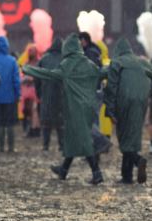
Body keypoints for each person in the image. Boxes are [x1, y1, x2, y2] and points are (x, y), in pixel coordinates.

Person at [23, 35, 105, 185]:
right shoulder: (89, 63)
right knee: (74, 138)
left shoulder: (67, 64)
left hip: (75, 107)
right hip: (89, 106)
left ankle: (96, 172)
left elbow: (50, 74)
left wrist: (30, 70)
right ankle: (64, 170)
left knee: (84, 140)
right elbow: (100, 74)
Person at [104, 38, 152, 184]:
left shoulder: (117, 63)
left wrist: (110, 110)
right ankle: (127, 176)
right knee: (133, 135)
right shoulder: (142, 62)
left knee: (124, 135)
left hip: (123, 101)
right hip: (141, 101)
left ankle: (137, 161)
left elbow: (111, 88)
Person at [0, 36, 21, 153]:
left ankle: (1, 147)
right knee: (10, 123)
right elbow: (16, 80)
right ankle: (11, 147)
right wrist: (18, 94)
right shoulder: (12, 61)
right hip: (10, 97)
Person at [36, 38, 65, 151]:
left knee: (46, 121)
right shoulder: (64, 59)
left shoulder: (44, 59)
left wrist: (39, 92)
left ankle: (45, 145)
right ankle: (61, 145)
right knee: (60, 122)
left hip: (46, 94)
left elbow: (37, 77)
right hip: (61, 95)